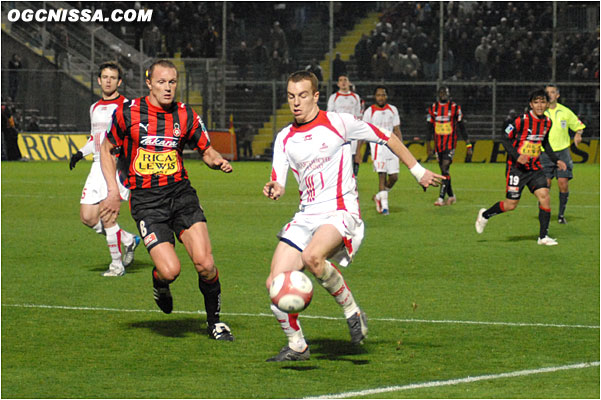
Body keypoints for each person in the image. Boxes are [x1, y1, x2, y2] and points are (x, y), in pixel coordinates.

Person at [263, 71, 442, 361]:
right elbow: (278, 180)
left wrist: (418, 171)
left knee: (312, 258)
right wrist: (274, 188)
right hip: (306, 215)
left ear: (316, 96)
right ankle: (297, 345)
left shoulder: (339, 123)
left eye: (303, 95)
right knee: (274, 283)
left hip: (340, 211)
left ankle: (352, 311)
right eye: (291, 96)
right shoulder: (284, 138)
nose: (296, 102)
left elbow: (387, 138)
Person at [99, 59, 235, 341]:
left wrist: (216, 160)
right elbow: (107, 147)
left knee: (206, 265)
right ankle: (160, 283)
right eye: (161, 82)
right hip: (148, 203)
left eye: (172, 82)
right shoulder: (129, 113)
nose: (168, 88)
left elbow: (206, 150)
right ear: (149, 83)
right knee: (170, 270)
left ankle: (215, 323)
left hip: (181, 195)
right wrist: (113, 191)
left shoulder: (185, 115)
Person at [69, 61, 140, 277]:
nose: (108, 81)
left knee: (107, 215)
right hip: (96, 165)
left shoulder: (127, 106)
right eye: (105, 77)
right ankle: (128, 239)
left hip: (116, 165)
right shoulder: (94, 108)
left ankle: (116, 265)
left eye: (113, 78)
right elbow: (96, 138)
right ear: (99, 80)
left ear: (119, 82)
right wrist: (81, 152)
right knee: (88, 217)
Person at [475, 89, 567, 246]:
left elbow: (544, 143)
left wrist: (556, 160)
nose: (539, 105)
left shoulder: (547, 122)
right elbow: (504, 138)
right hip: (516, 169)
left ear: (547, 104)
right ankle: (485, 215)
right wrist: (518, 156)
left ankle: (543, 237)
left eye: (542, 102)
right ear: (531, 104)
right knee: (511, 205)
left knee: (545, 196)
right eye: (536, 102)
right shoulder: (521, 121)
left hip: (535, 168)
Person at [541, 84, 586, 224]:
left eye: (552, 92)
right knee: (545, 186)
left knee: (563, 184)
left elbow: (579, 126)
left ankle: (561, 215)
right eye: (547, 92)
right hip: (544, 153)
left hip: (562, 153)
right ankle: (544, 213)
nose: (550, 94)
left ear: (557, 95)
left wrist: (578, 134)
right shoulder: (540, 111)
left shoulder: (565, 112)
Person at [426, 86, 472, 206]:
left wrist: (468, 144)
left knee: (445, 168)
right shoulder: (433, 108)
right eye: (441, 93)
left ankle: (441, 198)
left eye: (445, 92)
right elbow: (429, 128)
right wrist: (428, 145)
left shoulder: (455, 108)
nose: (443, 95)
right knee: (443, 171)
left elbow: (462, 127)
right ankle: (451, 196)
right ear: (438, 94)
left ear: (449, 94)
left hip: (450, 144)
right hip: (438, 145)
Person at [362, 86, 402, 215]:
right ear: (375, 97)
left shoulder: (393, 110)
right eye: (379, 95)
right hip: (377, 147)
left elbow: (397, 129)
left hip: (391, 146)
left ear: (386, 96)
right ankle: (385, 207)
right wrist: (360, 150)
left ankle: (379, 196)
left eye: (383, 95)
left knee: (394, 177)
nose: (381, 97)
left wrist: (401, 148)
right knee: (382, 175)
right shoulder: (369, 112)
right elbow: (364, 130)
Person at [327, 74, 362, 175]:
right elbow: (330, 116)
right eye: (341, 80)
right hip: (339, 133)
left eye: (345, 80)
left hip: (352, 132)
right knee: (338, 159)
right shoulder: (334, 97)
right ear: (338, 84)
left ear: (349, 82)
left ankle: (353, 181)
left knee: (352, 157)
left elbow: (358, 116)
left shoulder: (355, 97)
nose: (343, 82)